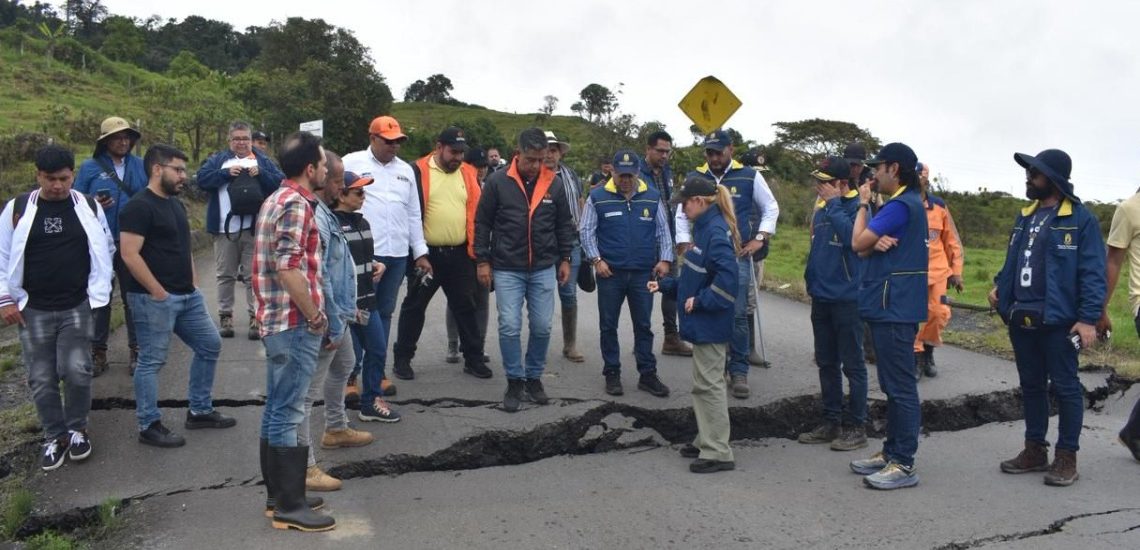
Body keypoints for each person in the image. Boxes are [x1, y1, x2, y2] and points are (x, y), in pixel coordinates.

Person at [989, 149, 1105, 487]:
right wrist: (1000, 287)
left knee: (1067, 388)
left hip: (1060, 321)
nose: (1028, 178)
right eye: (1029, 173)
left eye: (1035, 174)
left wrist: (1087, 319)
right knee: (1031, 386)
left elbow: (1093, 273)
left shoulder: (1080, 219)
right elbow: (1014, 260)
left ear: (1053, 179)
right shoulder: (1025, 215)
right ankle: (1034, 450)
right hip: (1021, 316)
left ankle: (1066, 457)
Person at [0, 145, 114, 471]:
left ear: (72, 175)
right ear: (38, 175)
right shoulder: (17, 208)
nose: (57, 186)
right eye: (50, 179)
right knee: (41, 376)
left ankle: (77, 429)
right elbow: (2, 255)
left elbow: (105, 248)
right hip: (32, 307)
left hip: (76, 304)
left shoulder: (89, 206)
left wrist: (98, 294)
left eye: (64, 178)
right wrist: (5, 299)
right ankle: (54, 435)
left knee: (77, 370)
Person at [120, 144, 236, 449]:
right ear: (158, 169)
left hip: (187, 296)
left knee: (210, 344)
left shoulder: (174, 204)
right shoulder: (138, 206)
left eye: (184, 170)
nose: (184, 176)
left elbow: (183, 247)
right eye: (178, 169)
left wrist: (193, 282)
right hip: (153, 299)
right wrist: (158, 291)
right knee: (152, 361)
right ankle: (149, 424)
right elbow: (129, 255)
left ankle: (199, 410)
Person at [253, 131, 335, 532]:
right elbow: (288, 267)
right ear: (310, 168)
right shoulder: (298, 205)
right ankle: (290, 505)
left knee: (277, 407)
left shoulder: (275, 199)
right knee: (289, 410)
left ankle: (279, 497)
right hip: (294, 322)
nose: (325, 168)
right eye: (322, 163)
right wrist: (315, 315)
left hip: (277, 321)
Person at [474, 128, 574, 412]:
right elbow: (483, 223)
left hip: (543, 267)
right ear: (517, 154)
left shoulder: (552, 183)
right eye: (531, 159)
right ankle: (515, 380)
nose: (536, 165)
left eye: (541, 159)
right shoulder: (497, 182)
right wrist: (483, 261)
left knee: (542, 326)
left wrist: (565, 258)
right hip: (507, 268)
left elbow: (563, 224)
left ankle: (533, 377)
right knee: (509, 326)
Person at [675, 130, 779, 399]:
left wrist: (760, 237)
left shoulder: (749, 175)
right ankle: (716, 366)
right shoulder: (696, 177)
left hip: (737, 255)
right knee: (707, 306)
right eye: (709, 152)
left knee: (737, 311)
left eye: (718, 152)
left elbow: (771, 207)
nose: (714, 157)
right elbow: (681, 215)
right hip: (703, 255)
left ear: (730, 149)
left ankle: (739, 369)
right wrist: (685, 243)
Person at [847, 143, 927, 490]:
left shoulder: (899, 205)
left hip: (894, 308)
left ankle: (903, 462)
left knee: (900, 387)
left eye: (878, 168)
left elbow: (856, 243)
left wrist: (863, 204)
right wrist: (868, 242)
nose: (873, 174)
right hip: (889, 305)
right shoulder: (905, 203)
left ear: (894, 169)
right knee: (893, 384)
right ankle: (891, 452)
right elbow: (865, 248)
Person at [649, 177, 740, 473]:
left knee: (709, 386)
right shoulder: (703, 230)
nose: (682, 209)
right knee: (703, 384)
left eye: (685, 203)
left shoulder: (715, 232)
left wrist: (701, 302)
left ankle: (717, 451)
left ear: (700, 201)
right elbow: (694, 278)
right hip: (702, 322)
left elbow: (727, 284)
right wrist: (665, 286)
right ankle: (706, 439)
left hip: (710, 323)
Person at [297, 151, 375, 495]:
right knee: (304, 395)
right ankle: (305, 466)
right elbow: (321, 273)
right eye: (335, 177)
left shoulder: (326, 211)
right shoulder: (315, 214)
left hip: (337, 312)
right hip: (324, 316)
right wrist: (328, 321)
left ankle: (336, 428)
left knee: (345, 363)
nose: (340, 183)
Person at [392, 127, 491, 380]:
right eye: (453, 152)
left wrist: (480, 254)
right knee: (414, 306)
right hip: (426, 254)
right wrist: (416, 252)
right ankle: (402, 359)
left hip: (459, 254)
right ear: (439, 147)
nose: (457, 157)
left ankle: (474, 359)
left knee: (466, 308)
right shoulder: (417, 170)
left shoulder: (467, 173)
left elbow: (477, 214)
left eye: (461, 152)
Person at [580, 149, 673, 397]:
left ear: (637, 173)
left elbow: (663, 231)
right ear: (613, 172)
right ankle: (612, 373)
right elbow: (586, 230)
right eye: (621, 175)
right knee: (608, 325)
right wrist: (596, 260)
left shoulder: (652, 198)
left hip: (643, 274)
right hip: (610, 274)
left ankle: (647, 375)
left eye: (630, 176)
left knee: (643, 325)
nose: (625, 181)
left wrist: (665, 259)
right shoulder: (597, 196)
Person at [342, 116, 424, 388]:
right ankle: (350, 374)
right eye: (388, 141)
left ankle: (376, 371)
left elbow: (414, 213)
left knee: (385, 311)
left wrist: (420, 251)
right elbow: (334, 200)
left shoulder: (406, 170)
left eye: (398, 141)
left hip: (397, 253)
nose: (394, 146)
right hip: (362, 252)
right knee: (357, 312)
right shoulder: (351, 162)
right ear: (372, 138)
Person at [797, 157, 868, 451]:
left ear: (840, 184)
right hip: (822, 297)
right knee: (826, 362)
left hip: (848, 300)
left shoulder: (859, 209)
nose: (818, 187)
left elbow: (853, 240)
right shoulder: (824, 209)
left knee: (853, 365)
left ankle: (856, 426)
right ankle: (831, 421)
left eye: (824, 182)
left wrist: (835, 203)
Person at [196, 121, 284, 340]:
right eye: (237, 138)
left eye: (245, 138)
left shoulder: (263, 160)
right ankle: (225, 316)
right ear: (229, 140)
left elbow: (280, 183)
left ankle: (256, 316)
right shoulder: (218, 160)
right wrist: (224, 174)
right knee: (224, 274)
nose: (241, 142)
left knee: (253, 275)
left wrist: (261, 173)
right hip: (223, 228)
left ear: (251, 140)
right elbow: (201, 180)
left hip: (254, 227)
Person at [75, 116, 148, 376]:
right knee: (100, 297)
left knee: (134, 298)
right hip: (99, 244)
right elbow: (75, 200)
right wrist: (92, 202)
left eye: (127, 136)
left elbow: (151, 196)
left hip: (134, 241)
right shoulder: (90, 168)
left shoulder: (141, 166)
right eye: (117, 137)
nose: (123, 141)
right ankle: (98, 352)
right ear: (105, 141)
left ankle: (137, 350)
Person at [639, 130, 690, 358]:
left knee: (672, 290)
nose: (664, 155)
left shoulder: (667, 172)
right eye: (660, 151)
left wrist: (678, 238)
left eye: (667, 151)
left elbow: (672, 207)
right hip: (645, 242)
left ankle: (671, 337)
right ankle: (642, 339)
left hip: (667, 240)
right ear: (648, 149)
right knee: (645, 292)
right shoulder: (637, 173)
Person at [1100, 180, 1140, 463]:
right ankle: (1134, 432)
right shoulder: (1129, 209)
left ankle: (1134, 431)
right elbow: (1113, 261)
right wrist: (1100, 309)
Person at [914, 163, 964, 379]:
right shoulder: (902, 204)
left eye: (922, 176)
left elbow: (952, 241)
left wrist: (956, 271)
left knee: (938, 312)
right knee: (913, 316)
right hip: (912, 272)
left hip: (938, 271)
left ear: (927, 179)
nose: (919, 180)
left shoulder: (939, 207)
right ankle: (915, 357)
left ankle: (928, 349)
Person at [544, 130, 586, 363]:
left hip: (571, 242)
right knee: (541, 293)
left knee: (568, 294)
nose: (550, 154)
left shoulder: (572, 176)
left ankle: (570, 344)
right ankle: (540, 340)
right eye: (546, 149)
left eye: (554, 150)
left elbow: (580, 204)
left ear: (560, 153)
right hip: (543, 242)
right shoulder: (534, 176)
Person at [446, 148, 491, 364]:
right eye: (477, 165)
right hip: (461, 250)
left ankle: (477, 346)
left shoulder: (490, 187)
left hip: (484, 251)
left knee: (482, 300)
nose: (481, 170)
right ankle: (453, 344)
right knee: (458, 300)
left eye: (484, 166)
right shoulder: (458, 185)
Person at [738, 147, 772, 367]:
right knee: (742, 301)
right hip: (741, 253)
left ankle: (748, 348)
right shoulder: (740, 190)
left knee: (751, 301)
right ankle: (745, 349)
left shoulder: (762, 189)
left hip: (758, 253)